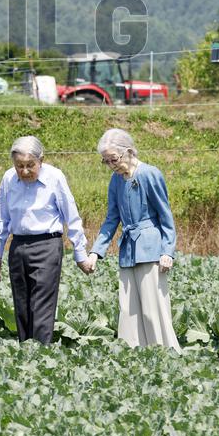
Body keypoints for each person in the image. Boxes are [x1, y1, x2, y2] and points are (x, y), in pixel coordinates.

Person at [0, 135, 92, 344]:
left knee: (41, 306)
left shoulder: (55, 177)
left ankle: (41, 352)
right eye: (19, 166)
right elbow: (0, 217)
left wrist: (80, 254)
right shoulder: (8, 178)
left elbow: (71, 216)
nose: (25, 171)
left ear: (41, 160)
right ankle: (25, 350)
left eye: (30, 165)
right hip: (18, 246)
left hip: (47, 245)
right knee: (22, 305)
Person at [87, 128, 181, 352]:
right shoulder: (115, 180)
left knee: (152, 308)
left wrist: (167, 251)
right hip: (127, 250)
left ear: (129, 152)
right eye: (106, 161)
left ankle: (165, 354)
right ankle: (132, 354)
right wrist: (95, 252)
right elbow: (112, 219)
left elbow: (165, 216)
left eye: (114, 159)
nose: (111, 165)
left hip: (151, 249)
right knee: (128, 309)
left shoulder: (150, 174)